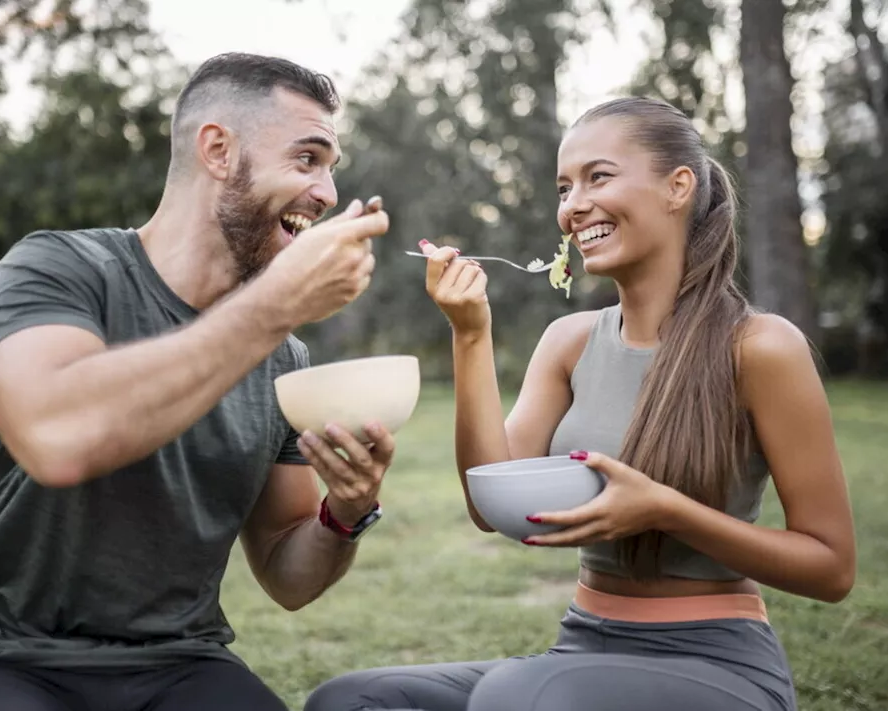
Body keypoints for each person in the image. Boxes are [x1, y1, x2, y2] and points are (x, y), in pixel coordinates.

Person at [305, 96, 857, 711]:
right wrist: (469, 333)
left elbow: (831, 569)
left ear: (678, 187)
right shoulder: (568, 342)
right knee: (352, 701)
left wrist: (666, 510)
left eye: (598, 177)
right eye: (564, 188)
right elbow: (489, 506)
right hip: (581, 649)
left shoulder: (759, 347)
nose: (573, 206)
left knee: (517, 697)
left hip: (717, 662)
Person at [0, 52, 396, 711]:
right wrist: (276, 306)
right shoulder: (57, 270)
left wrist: (345, 512)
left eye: (332, 169)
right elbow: (57, 435)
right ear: (218, 150)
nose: (329, 194)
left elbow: (287, 571)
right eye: (308, 159)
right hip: (0, 657)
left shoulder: (282, 354)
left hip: (180, 665)